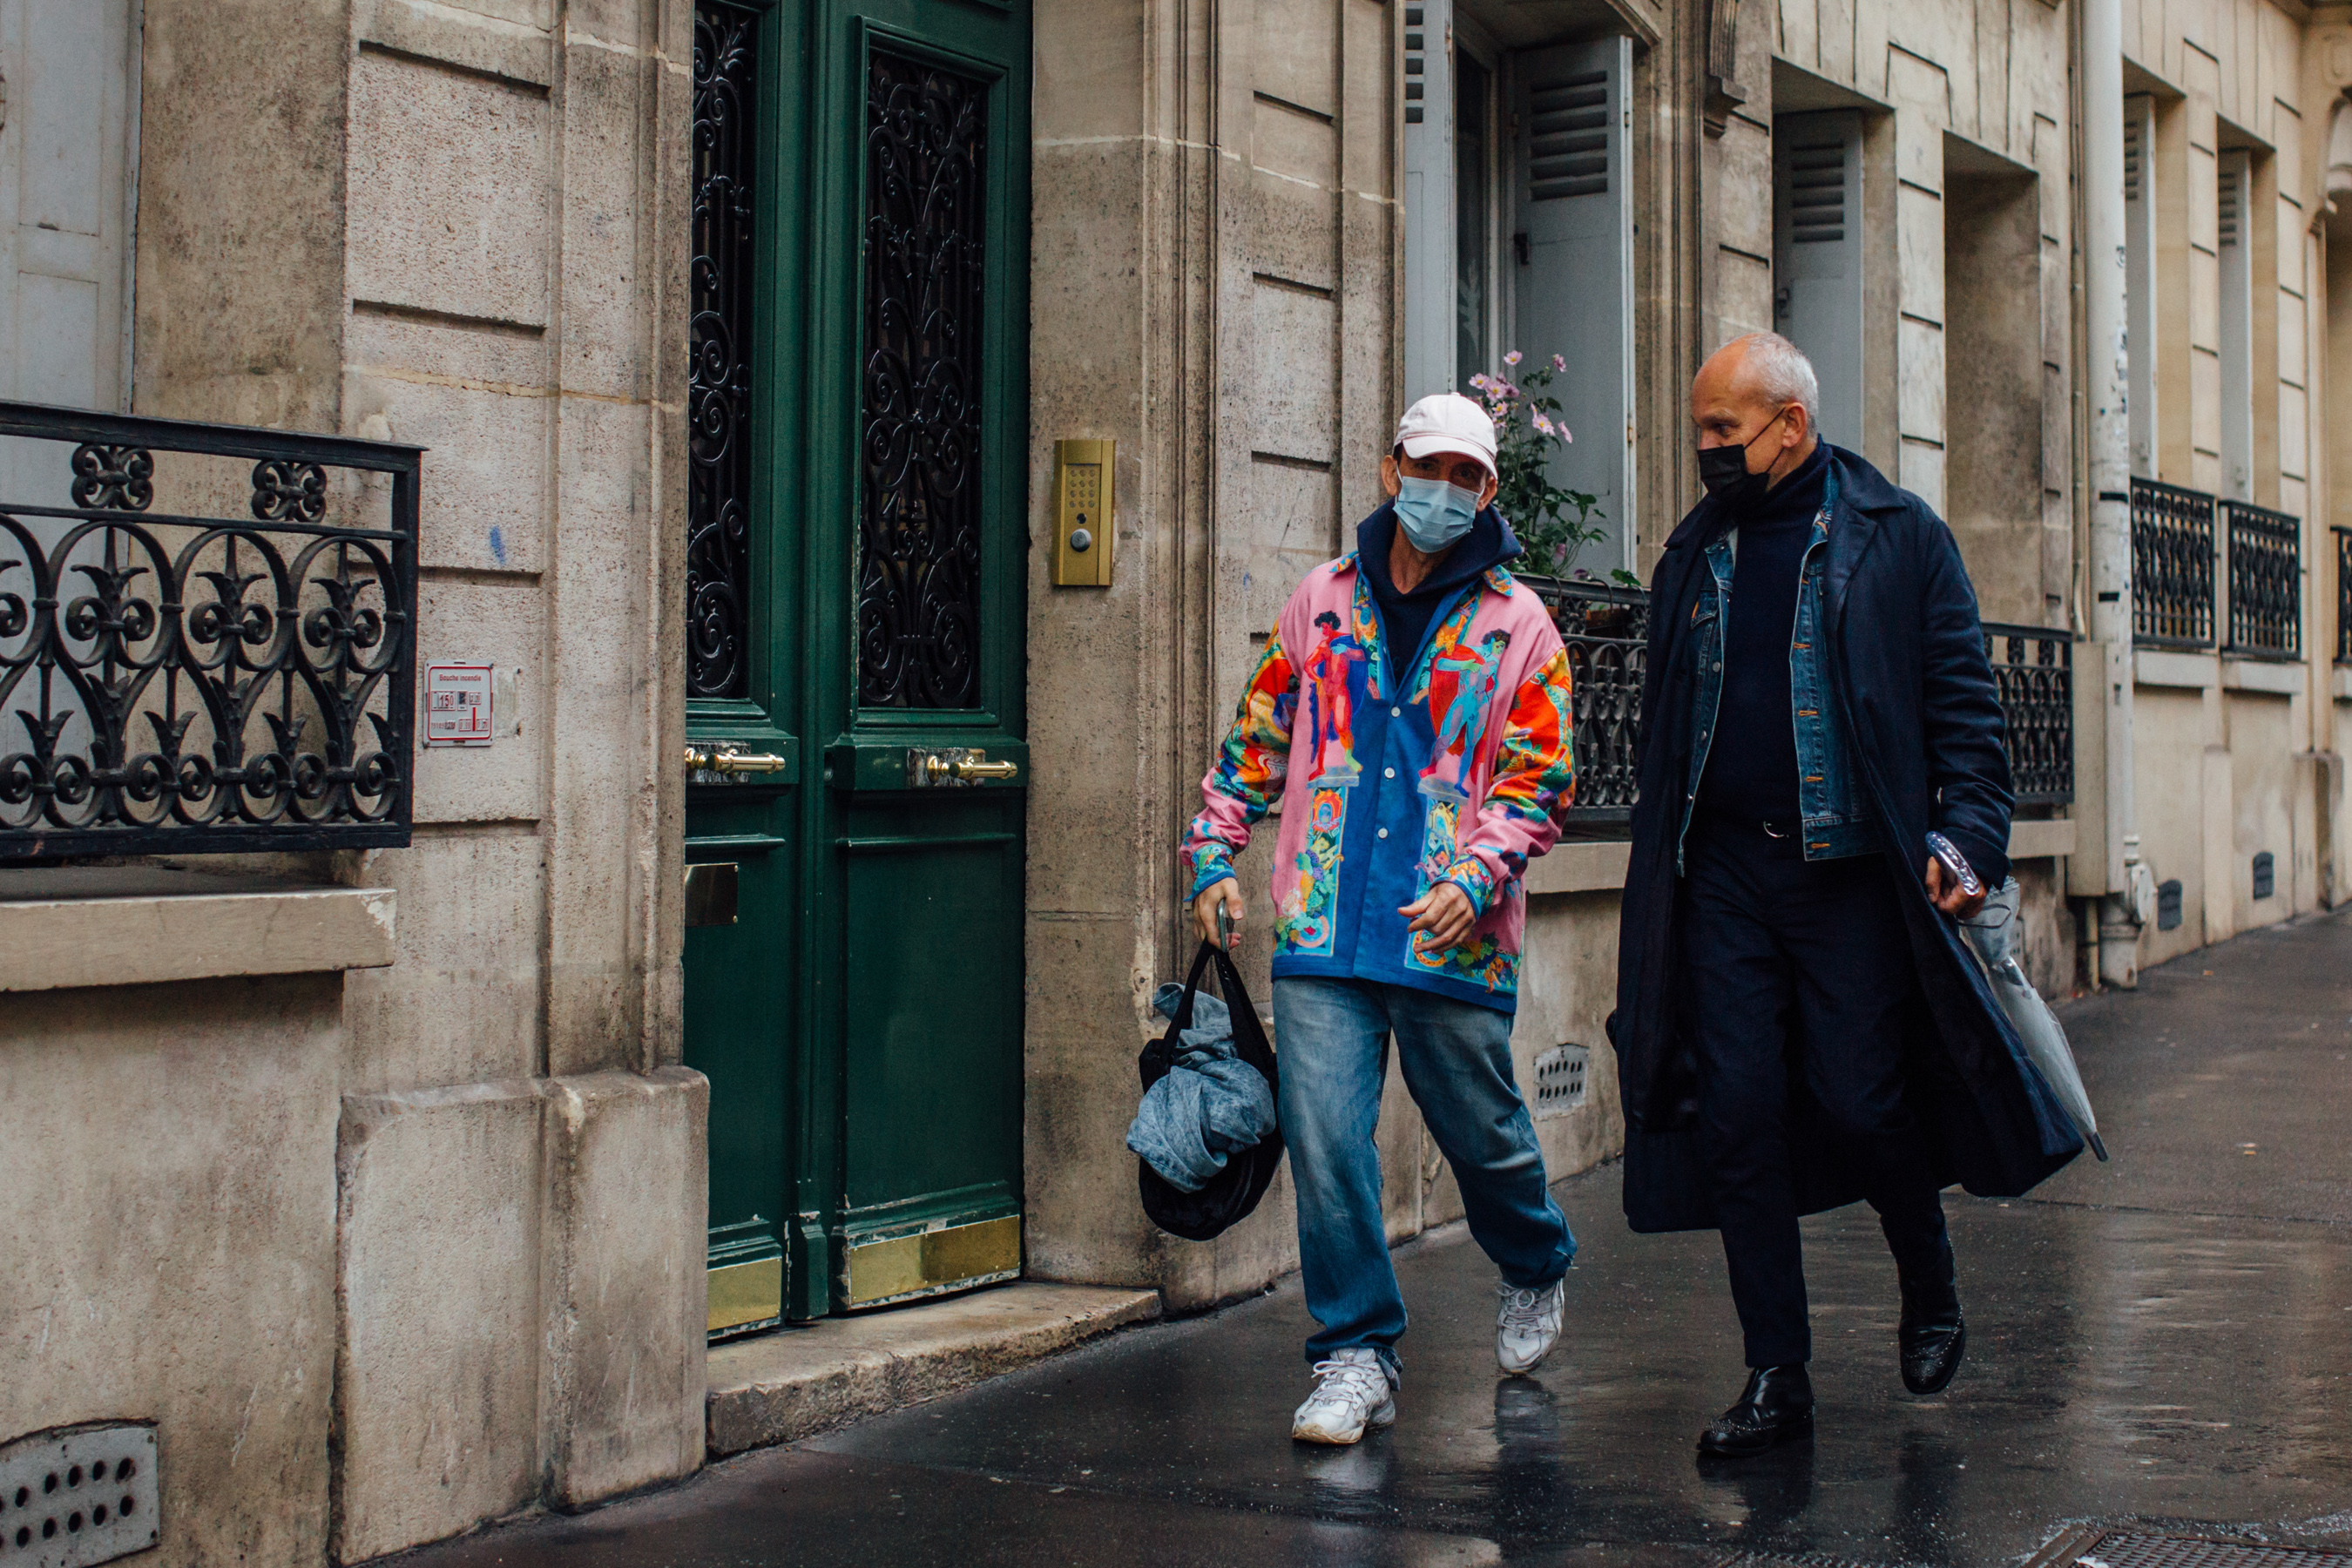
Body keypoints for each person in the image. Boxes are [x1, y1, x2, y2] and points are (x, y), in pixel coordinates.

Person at [1609, 332, 2083, 1457]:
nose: (1709, 453)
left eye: (1724, 432)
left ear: (1792, 424)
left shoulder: (1896, 539)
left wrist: (1966, 837)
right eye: (1702, 434)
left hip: (1852, 877)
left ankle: (1926, 1270)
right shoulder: (1692, 555)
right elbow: (1666, 723)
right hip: (1718, 873)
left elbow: (1967, 714)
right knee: (1739, 1118)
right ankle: (1778, 1373)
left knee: (1867, 1102)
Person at [1182, 393, 1580, 1446]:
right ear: (1388, 466)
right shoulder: (1324, 600)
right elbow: (1259, 734)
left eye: (1466, 476)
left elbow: (1541, 780)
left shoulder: (1519, 623)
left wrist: (1481, 870)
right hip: (1323, 923)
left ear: (1489, 491)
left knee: (1481, 1135)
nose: (1444, 490)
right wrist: (1212, 849)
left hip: (1450, 928)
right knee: (1327, 1143)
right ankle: (1355, 1351)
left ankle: (1534, 1259)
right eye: (1428, 466)